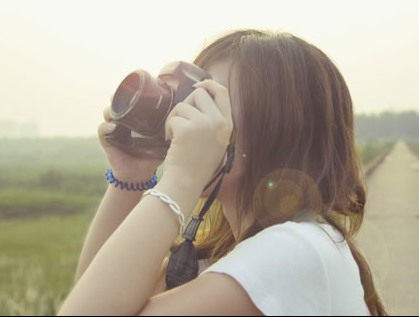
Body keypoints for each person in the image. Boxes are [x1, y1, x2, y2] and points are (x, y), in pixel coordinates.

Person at [58, 29, 386, 316]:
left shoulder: (295, 249)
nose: (184, 114)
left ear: (277, 128)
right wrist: (130, 177)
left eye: (209, 99)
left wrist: (182, 178)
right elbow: (97, 293)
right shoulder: (224, 258)